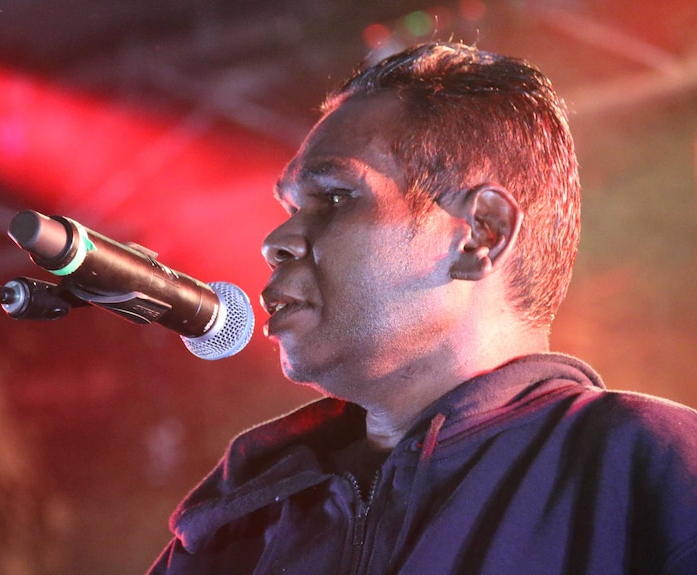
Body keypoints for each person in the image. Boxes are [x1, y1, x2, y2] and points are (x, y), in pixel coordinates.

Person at [146, 41, 697, 574]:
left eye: (336, 197)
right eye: (289, 206)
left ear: (480, 234)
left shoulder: (654, 468)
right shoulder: (240, 517)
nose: (275, 240)